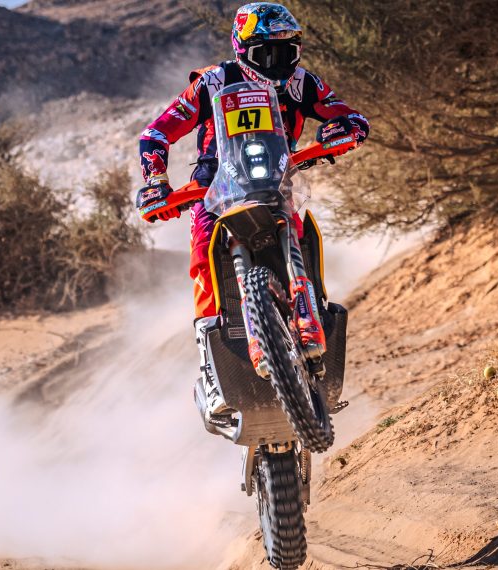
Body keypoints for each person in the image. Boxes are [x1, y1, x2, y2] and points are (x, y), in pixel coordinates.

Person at [135, 2, 369, 362]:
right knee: (202, 250)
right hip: (216, 183)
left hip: (277, 176)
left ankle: (314, 310)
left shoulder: (303, 82)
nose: (277, 60)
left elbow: (346, 112)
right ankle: (212, 360)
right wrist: (156, 180)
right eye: (267, 51)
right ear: (243, 49)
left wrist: (347, 126)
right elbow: (155, 133)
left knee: (303, 231)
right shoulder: (213, 80)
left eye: (286, 50)